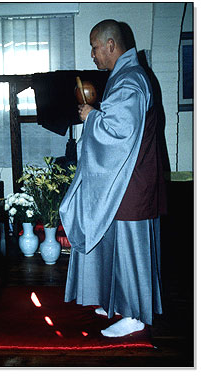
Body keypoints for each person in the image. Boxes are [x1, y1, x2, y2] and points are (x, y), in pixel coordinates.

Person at [59, 19, 167, 337]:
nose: (92, 55)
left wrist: (92, 117)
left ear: (110, 45)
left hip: (131, 183)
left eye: (94, 47)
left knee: (132, 249)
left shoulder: (130, 80)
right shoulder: (127, 76)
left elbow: (120, 132)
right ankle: (120, 302)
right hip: (126, 178)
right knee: (116, 244)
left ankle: (135, 315)